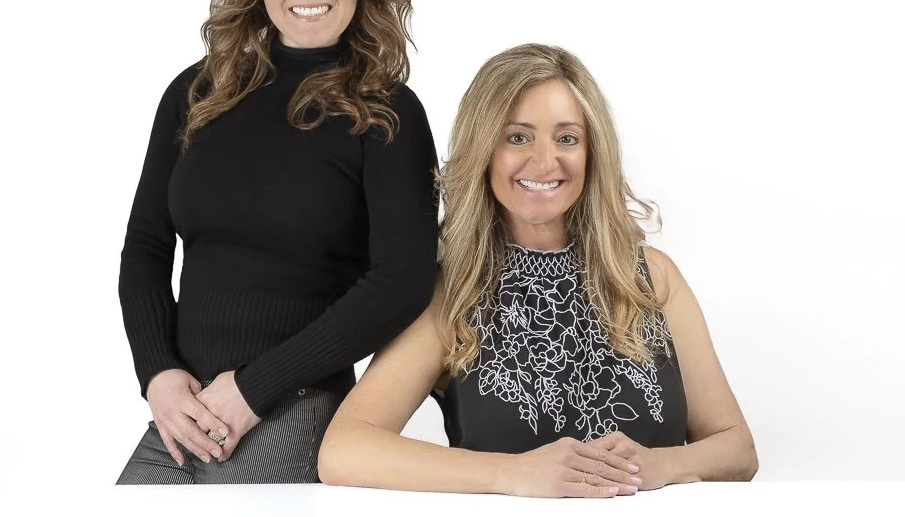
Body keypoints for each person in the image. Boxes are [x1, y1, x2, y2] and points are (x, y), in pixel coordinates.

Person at [317, 44, 758, 497]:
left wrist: (662, 464)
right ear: (484, 149)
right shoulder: (452, 292)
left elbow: (737, 448)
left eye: (567, 138)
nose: (545, 162)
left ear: (592, 152)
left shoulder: (652, 278)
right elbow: (344, 449)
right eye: (517, 137)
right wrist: (509, 473)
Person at [115, 0, 439, 484]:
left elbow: (403, 280)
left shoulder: (385, 111)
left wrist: (255, 387)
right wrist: (157, 374)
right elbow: (146, 249)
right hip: (187, 411)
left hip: (297, 405)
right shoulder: (195, 93)